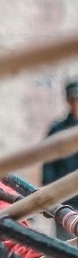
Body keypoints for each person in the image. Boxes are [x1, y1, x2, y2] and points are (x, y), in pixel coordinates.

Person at [42, 79, 78, 209]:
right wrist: (50, 194)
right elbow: (48, 163)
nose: (76, 103)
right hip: (65, 199)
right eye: (73, 99)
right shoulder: (57, 129)